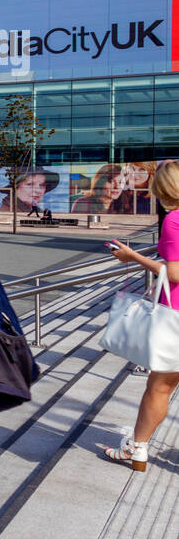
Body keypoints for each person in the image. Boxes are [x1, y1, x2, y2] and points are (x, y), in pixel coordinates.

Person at [105, 161, 179, 471]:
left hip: (174, 314)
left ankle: (137, 450)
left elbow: (174, 273)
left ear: (162, 190)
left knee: (159, 388)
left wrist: (131, 256)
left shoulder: (174, 220)